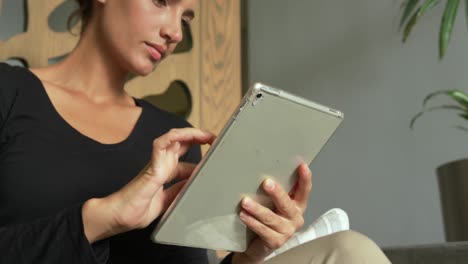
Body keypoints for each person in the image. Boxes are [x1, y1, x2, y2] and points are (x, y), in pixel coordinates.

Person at [0, 0, 391, 263]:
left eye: (186, 18)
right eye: (162, 1)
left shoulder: (174, 138)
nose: (174, 32)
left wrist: (249, 254)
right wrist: (102, 217)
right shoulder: (8, 93)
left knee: (348, 251)